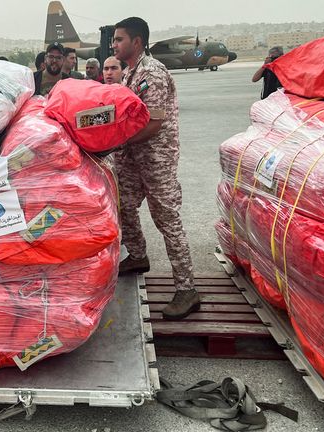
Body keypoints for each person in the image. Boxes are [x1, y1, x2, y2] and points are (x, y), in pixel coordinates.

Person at [112, 17, 199, 320]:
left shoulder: (153, 73)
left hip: (156, 158)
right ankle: (137, 256)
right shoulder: (129, 74)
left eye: (119, 39)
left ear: (136, 42)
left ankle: (187, 289)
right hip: (134, 157)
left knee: (167, 220)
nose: (114, 45)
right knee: (123, 204)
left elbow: (155, 123)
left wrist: (118, 139)